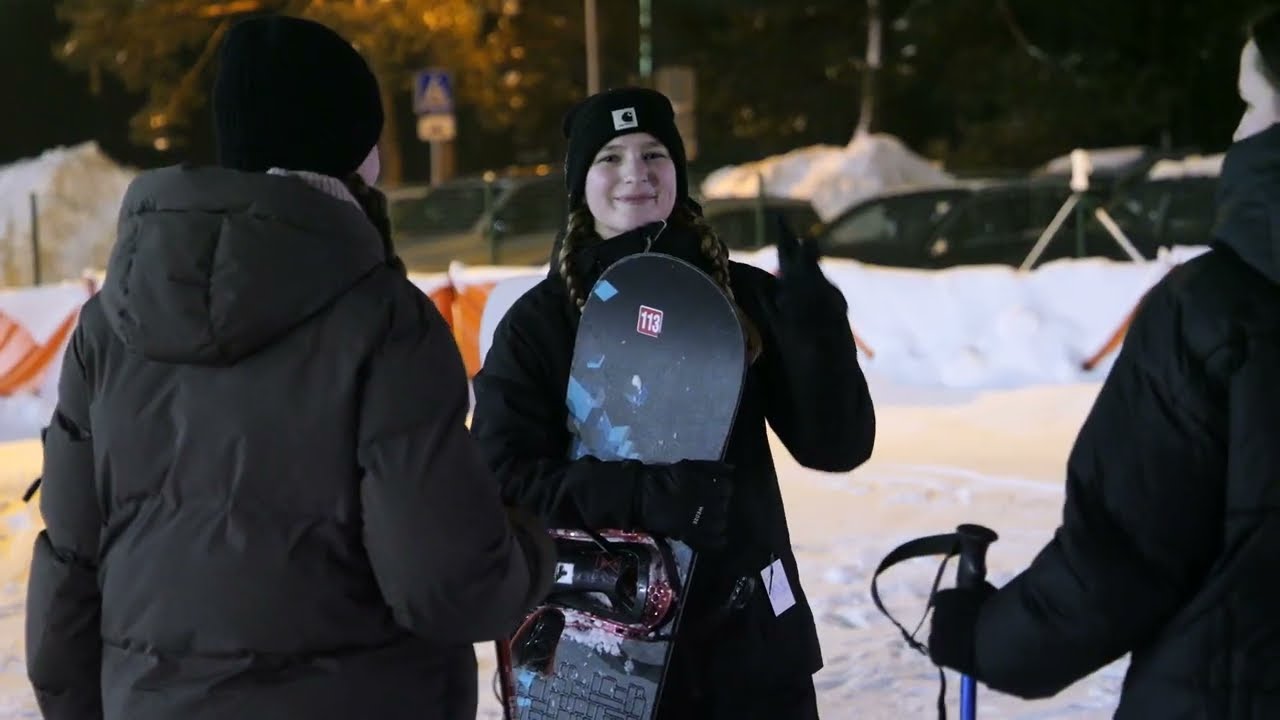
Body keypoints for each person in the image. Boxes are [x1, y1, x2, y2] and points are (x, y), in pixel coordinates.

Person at [24, 15, 555, 720]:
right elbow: (448, 587)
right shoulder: (384, 321)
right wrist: (532, 547)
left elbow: (68, 570)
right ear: (355, 150)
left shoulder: (106, 326)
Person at [470, 86, 876, 718]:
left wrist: (817, 332)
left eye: (654, 153)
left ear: (678, 173)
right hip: (601, 658)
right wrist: (646, 497)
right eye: (610, 157)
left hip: (750, 647)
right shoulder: (540, 323)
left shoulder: (740, 298)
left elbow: (839, 445)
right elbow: (503, 479)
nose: (636, 174)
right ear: (581, 182)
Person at [926, 8, 1280, 718]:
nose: (1236, 132)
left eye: (1249, 105)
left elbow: (1122, 556)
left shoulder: (1217, 309)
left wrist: (990, 640)